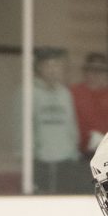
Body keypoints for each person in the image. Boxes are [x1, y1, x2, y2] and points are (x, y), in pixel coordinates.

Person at [32, 46, 82, 194]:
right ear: (39, 68)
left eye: (56, 65)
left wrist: (73, 151)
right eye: (48, 65)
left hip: (65, 160)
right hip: (42, 161)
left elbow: (71, 125)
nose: (53, 70)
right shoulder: (30, 93)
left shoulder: (65, 94)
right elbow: (24, 128)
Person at [70, 52, 108, 159]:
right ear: (85, 71)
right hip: (77, 151)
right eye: (92, 70)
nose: (96, 74)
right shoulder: (73, 92)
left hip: (104, 151)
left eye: (100, 71)